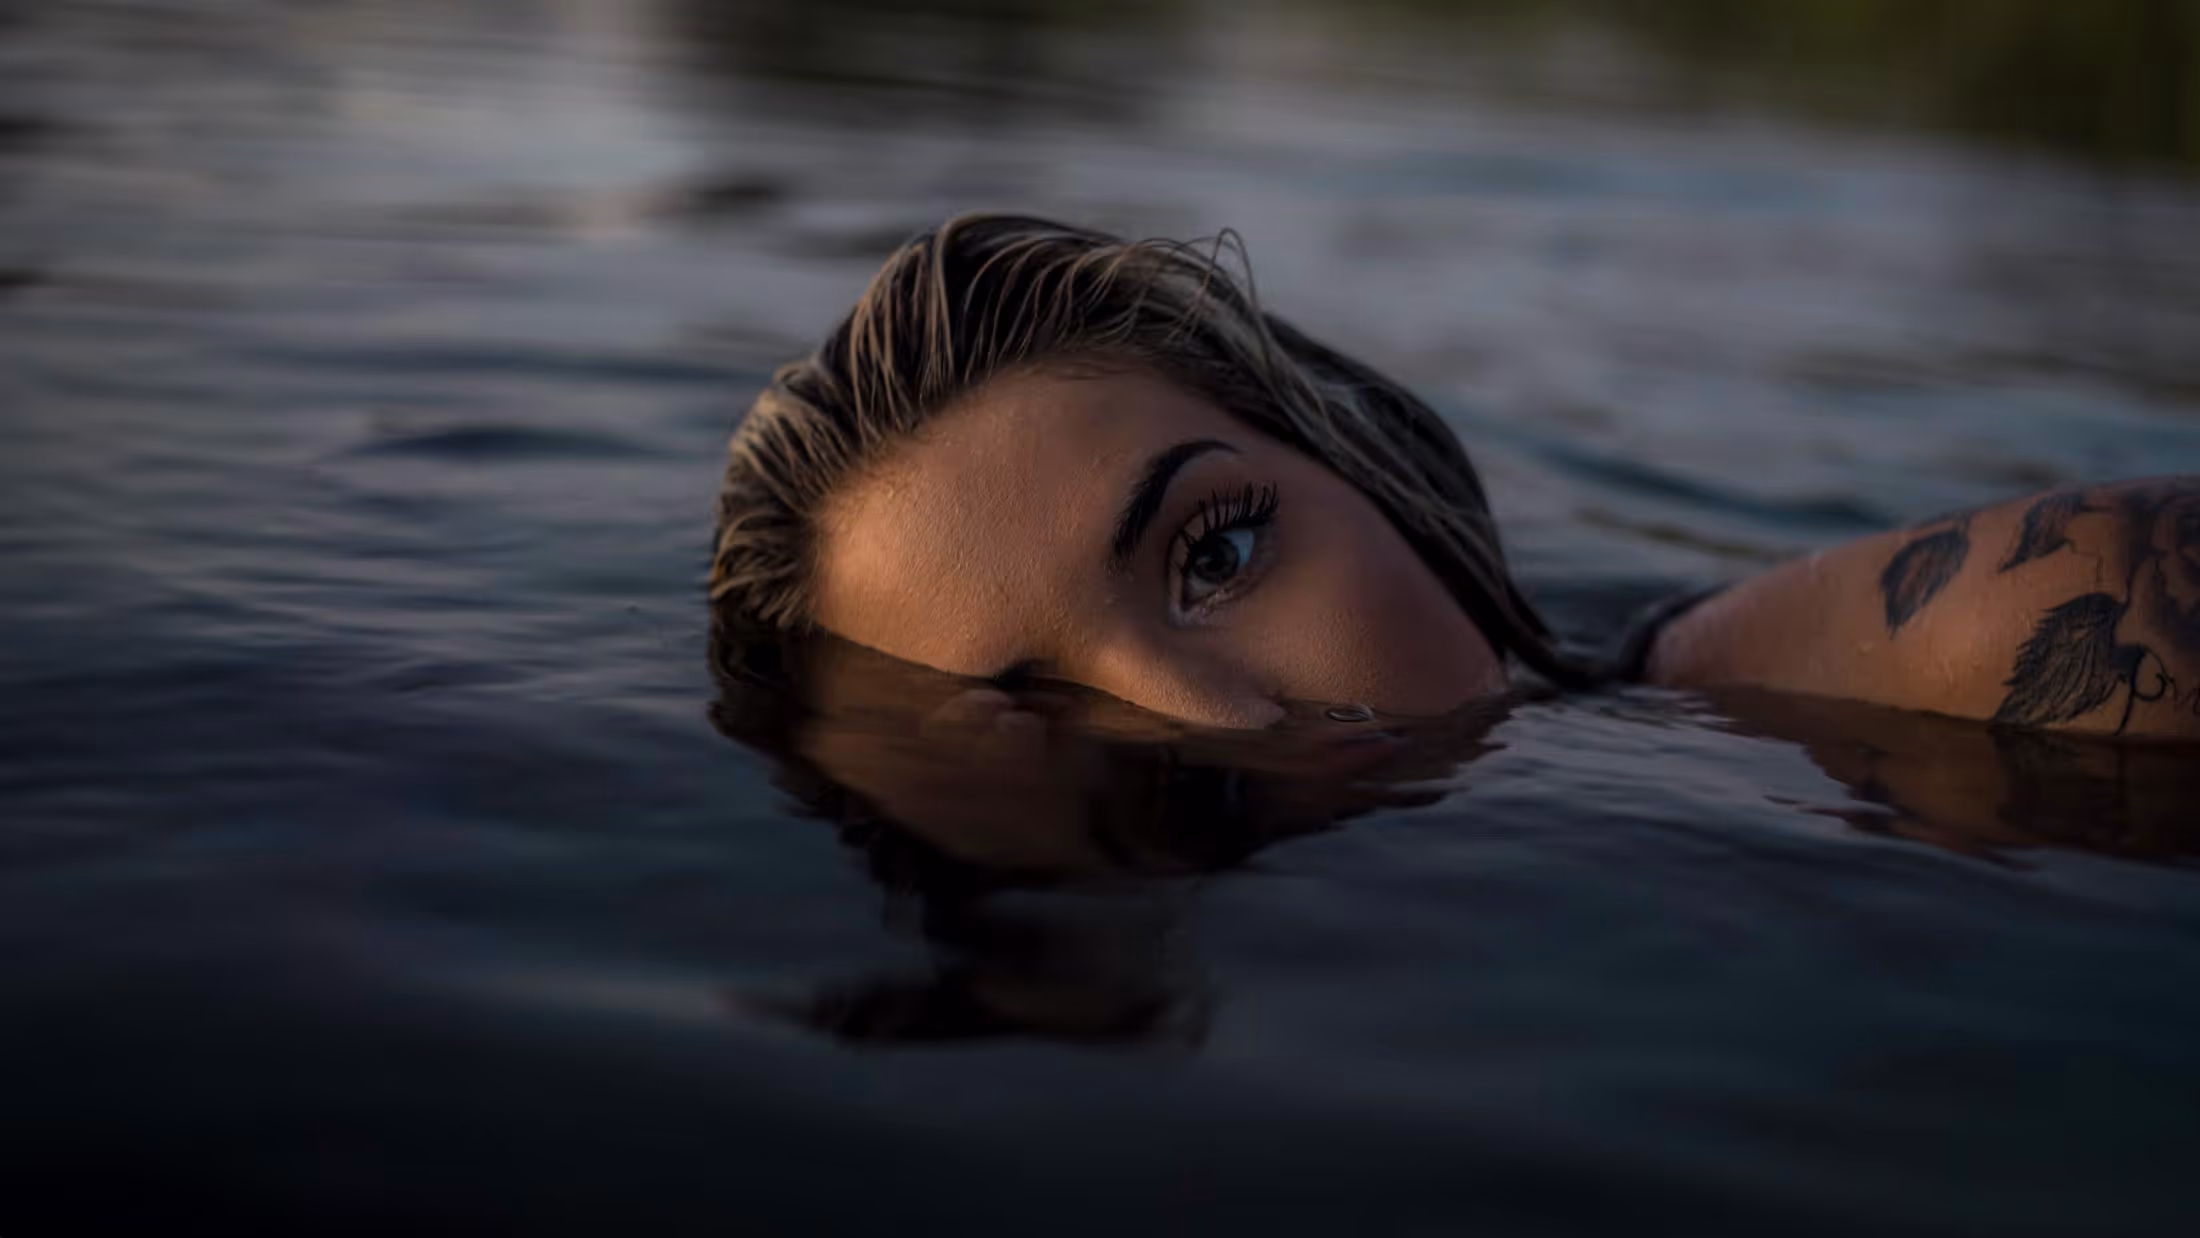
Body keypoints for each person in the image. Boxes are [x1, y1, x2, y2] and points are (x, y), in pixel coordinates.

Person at [708, 213, 2200, 749]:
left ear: (1361, 463)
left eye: (1215, 554)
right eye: (1034, 713)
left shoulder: (2006, 624)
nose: (1216, 716)